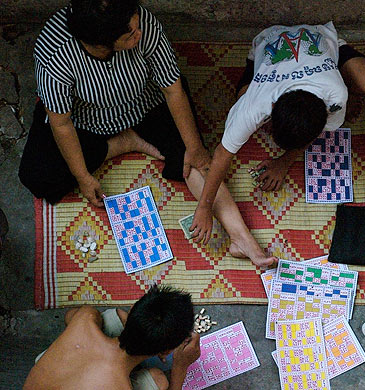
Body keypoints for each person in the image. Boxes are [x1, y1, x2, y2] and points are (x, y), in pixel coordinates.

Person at [18, 0, 275, 266]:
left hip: (145, 104)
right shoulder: (55, 56)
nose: (138, 33)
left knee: (192, 157)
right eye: (130, 35)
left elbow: (172, 89)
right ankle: (122, 143)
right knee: (36, 176)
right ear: (102, 43)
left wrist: (195, 148)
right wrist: (82, 176)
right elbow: (62, 124)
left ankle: (242, 239)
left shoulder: (138, 21)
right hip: (87, 120)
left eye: (136, 25)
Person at [192, 22, 365, 238]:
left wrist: (285, 161)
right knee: (241, 104)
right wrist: (204, 207)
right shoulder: (255, 105)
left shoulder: (336, 96)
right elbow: (222, 154)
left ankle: (338, 53)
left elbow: (315, 131)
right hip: (269, 41)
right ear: (273, 108)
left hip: (318, 41)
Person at [23, 285, 200, 390]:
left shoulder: (86, 317)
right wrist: (180, 366)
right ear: (167, 351)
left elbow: (69, 316)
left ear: (133, 310)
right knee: (158, 380)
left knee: (111, 318)